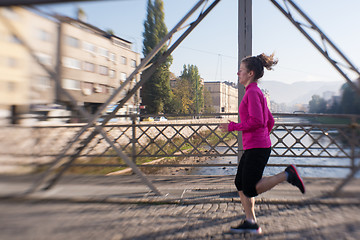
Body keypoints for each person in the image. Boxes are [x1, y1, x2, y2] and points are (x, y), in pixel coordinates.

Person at [219, 53, 305, 234]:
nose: (237, 73)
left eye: (240, 70)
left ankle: (287, 175)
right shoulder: (257, 92)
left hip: (257, 147)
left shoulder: (252, 93)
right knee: (240, 183)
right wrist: (261, 137)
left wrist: (232, 127)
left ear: (250, 73)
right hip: (257, 145)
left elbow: (258, 121)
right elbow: (270, 121)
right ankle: (251, 221)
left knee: (250, 187)